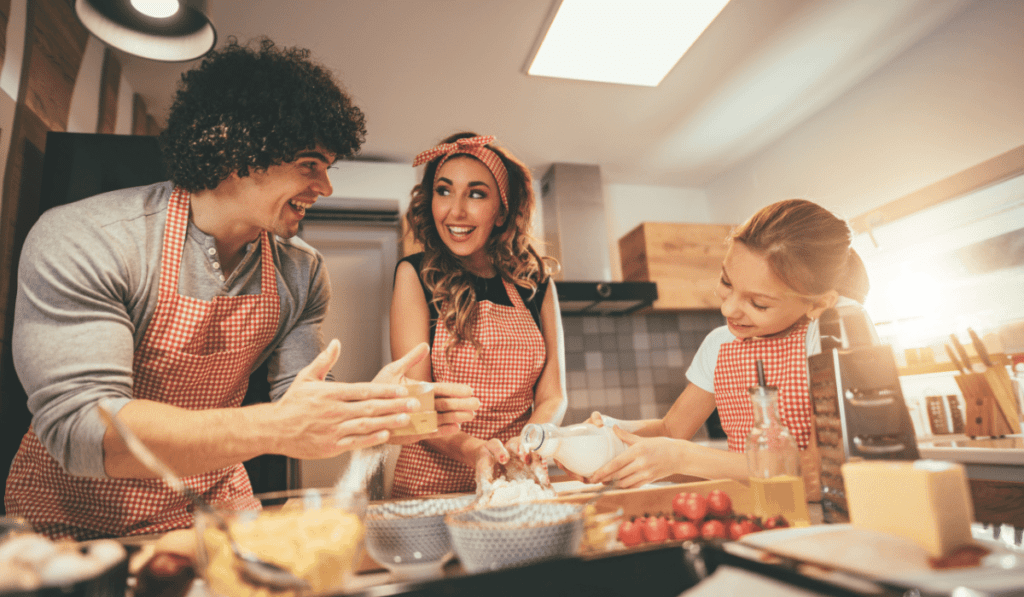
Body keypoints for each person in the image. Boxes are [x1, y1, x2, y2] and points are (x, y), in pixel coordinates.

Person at [4, 39, 478, 541]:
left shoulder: (301, 273)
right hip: (70, 523)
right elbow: (85, 432)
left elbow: (301, 396)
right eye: (309, 163)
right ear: (237, 150)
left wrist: (378, 408)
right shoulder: (88, 240)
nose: (326, 187)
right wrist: (276, 427)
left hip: (215, 514)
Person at [585, 199, 873, 490]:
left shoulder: (828, 334)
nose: (728, 310)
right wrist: (608, 435)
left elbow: (819, 472)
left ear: (819, 304)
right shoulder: (719, 344)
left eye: (758, 303)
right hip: (751, 509)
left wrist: (682, 457)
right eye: (726, 282)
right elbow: (670, 430)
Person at [388, 133, 568, 498]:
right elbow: (415, 403)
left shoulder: (537, 285)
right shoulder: (415, 275)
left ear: (501, 210)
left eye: (476, 193)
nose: (456, 211)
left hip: (514, 483)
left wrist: (527, 444)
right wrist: (474, 451)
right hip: (431, 489)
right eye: (444, 190)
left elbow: (553, 396)